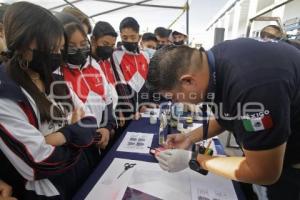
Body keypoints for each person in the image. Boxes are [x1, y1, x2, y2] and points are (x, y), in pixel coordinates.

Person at [146, 38, 300, 200]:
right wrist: (189, 138)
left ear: (188, 81)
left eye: (174, 97)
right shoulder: (212, 61)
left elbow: (265, 173)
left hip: (291, 160)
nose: (175, 103)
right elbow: (227, 114)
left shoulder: (252, 88)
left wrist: (193, 159)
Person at [0, 2, 101, 199]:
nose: (55, 55)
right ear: (21, 42)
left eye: (59, 49)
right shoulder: (7, 93)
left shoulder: (55, 80)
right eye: (50, 48)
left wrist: (61, 136)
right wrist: (77, 135)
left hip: (80, 176)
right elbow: (37, 163)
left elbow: (90, 121)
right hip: (49, 192)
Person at [59, 22, 116, 151]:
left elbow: (108, 99)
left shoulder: (94, 64)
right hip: (78, 145)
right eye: (72, 46)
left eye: (83, 44)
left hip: (101, 137)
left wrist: (107, 128)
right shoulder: (58, 73)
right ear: (62, 47)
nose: (79, 49)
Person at [112, 17, 150, 123]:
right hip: (127, 112)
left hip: (143, 109)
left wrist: (144, 104)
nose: (129, 40)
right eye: (125, 37)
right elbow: (121, 85)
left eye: (133, 37)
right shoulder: (116, 54)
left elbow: (146, 83)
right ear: (120, 36)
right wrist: (132, 111)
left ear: (139, 36)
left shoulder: (145, 55)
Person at [90, 21, 125, 128]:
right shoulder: (87, 65)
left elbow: (112, 91)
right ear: (93, 40)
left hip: (111, 118)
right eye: (105, 44)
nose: (109, 48)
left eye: (112, 45)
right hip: (96, 123)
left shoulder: (107, 62)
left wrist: (118, 110)